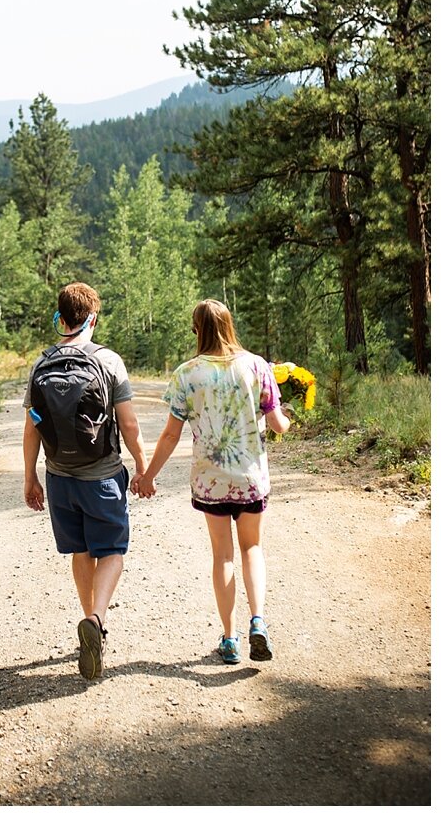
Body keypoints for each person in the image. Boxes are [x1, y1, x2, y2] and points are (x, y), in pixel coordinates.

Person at [136, 298, 291, 664]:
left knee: (222, 555)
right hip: (251, 477)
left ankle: (230, 638)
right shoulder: (256, 366)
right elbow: (278, 425)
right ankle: (258, 622)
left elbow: (171, 436)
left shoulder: (187, 374)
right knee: (251, 548)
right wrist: (291, 412)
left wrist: (148, 476)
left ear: (197, 330)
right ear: (229, 326)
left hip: (211, 481)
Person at [23, 282, 145, 680]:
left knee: (80, 551)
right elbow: (128, 424)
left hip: (59, 478)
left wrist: (30, 477)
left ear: (60, 319)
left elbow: (31, 430)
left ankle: (87, 622)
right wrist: (143, 466)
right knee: (110, 549)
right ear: (92, 318)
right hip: (103, 477)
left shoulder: (40, 365)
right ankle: (96, 619)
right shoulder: (109, 362)